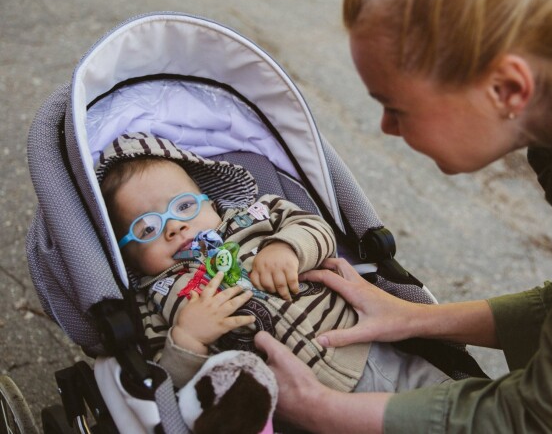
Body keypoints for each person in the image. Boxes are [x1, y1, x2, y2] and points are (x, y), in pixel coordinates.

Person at [253, 0, 552, 432]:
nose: (386, 127)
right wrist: (411, 317)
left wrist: (316, 408)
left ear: (505, 88)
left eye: (395, 106)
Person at [96, 132, 451, 394]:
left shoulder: (255, 216)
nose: (174, 226)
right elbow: (163, 384)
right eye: (147, 228)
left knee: (441, 405)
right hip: (282, 404)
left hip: (364, 351)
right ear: (127, 254)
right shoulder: (154, 297)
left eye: (184, 206)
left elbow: (318, 230)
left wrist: (287, 248)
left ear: (209, 201)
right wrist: (188, 338)